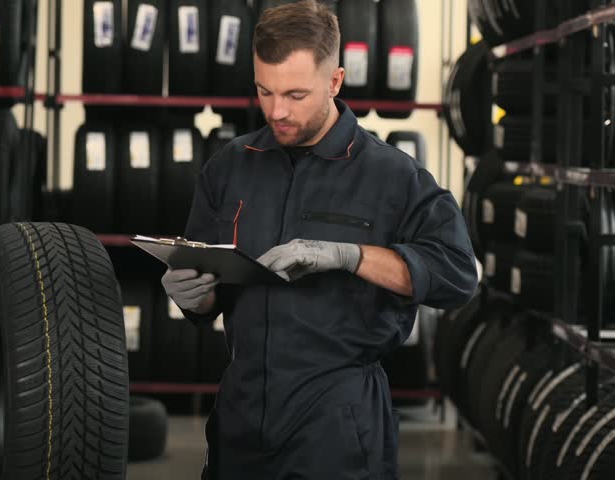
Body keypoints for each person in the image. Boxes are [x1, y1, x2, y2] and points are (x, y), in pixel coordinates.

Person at [161, 1, 478, 479]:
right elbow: (209, 282)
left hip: (337, 426)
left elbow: (458, 275)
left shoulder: (391, 176)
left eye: (295, 94)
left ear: (334, 82)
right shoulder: (230, 167)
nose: (277, 111)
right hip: (240, 418)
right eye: (264, 91)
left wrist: (351, 257)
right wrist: (195, 296)